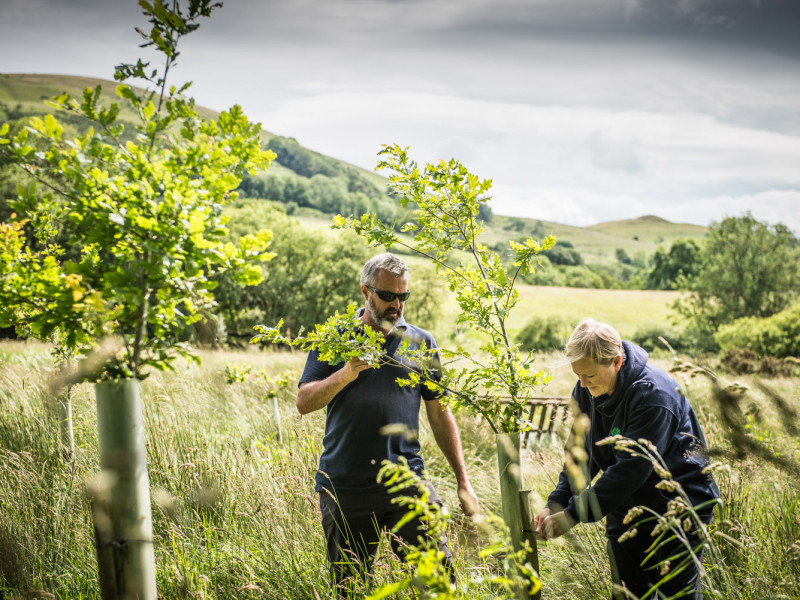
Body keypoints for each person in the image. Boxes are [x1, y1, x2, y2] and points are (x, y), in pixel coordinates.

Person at [297, 252, 478, 595]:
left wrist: (463, 482)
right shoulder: (336, 337)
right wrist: (345, 374)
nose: (397, 304)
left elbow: (440, 414)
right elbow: (304, 402)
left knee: (440, 586)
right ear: (365, 292)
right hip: (344, 486)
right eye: (387, 295)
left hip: (408, 481)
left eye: (403, 296)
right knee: (350, 589)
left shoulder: (422, 343)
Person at [534, 318, 719, 600]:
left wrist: (572, 515)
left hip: (681, 504)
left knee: (676, 596)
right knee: (628, 595)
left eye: (590, 376)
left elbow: (631, 470)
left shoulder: (653, 395)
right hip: (628, 504)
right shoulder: (586, 389)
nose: (582, 385)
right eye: (578, 376)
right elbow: (581, 451)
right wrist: (556, 502)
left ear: (617, 362)